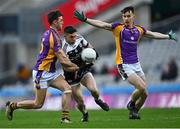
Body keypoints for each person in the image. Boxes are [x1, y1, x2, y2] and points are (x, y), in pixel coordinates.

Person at [74, 6, 177, 119]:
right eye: (124, 16)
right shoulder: (118, 28)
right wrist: (86, 20)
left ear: (133, 16)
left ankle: (134, 112)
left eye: (128, 16)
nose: (126, 18)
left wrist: (168, 36)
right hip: (124, 65)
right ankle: (131, 103)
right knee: (141, 87)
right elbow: (103, 24)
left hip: (136, 64)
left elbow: (152, 34)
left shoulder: (139, 30)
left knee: (145, 93)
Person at [5, 10, 79, 123]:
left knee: (67, 89)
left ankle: (65, 118)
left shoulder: (53, 34)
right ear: (54, 22)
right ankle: (13, 106)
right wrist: (77, 66)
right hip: (42, 73)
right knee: (38, 104)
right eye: (61, 20)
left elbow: (63, 58)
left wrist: (73, 66)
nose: (62, 23)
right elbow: (63, 60)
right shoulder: (52, 37)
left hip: (51, 72)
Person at [61, 26, 109, 122]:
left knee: (93, 89)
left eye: (75, 36)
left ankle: (97, 99)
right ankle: (85, 113)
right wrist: (76, 69)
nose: (74, 38)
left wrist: (94, 53)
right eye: (71, 37)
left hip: (83, 69)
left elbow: (89, 47)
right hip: (71, 75)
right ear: (65, 36)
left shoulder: (79, 38)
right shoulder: (63, 48)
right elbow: (65, 66)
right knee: (80, 101)